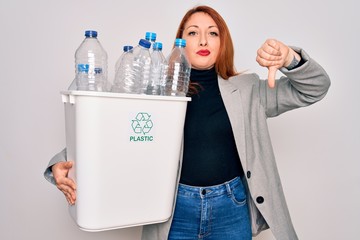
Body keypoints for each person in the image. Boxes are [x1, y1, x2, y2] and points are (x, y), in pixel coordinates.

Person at [44, 5, 331, 240]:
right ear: (180, 42)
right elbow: (104, 129)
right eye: (193, 32)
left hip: (231, 208)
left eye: (212, 33)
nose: (203, 41)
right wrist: (62, 162)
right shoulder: (156, 91)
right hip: (172, 209)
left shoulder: (248, 89)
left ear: (223, 42)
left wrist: (290, 58)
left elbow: (314, 89)